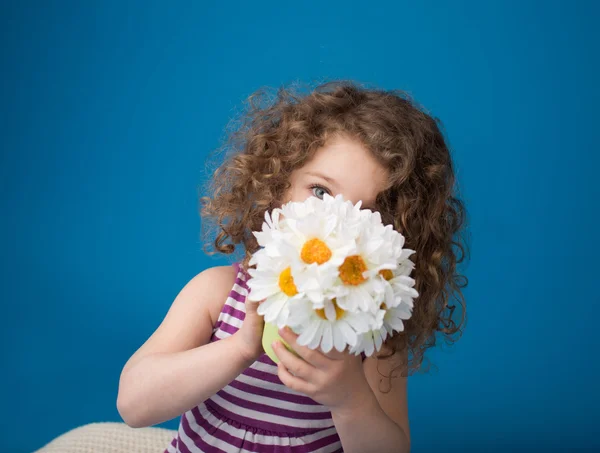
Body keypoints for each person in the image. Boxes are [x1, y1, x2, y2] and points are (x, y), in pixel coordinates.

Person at [117, 80, 468, 453]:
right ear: (279, 186)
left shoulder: (372, 332)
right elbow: (134, 405)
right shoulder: (218, 293)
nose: (336, 224)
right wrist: (239, 348)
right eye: (320, 192)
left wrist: (350, 400)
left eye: (370, 213)